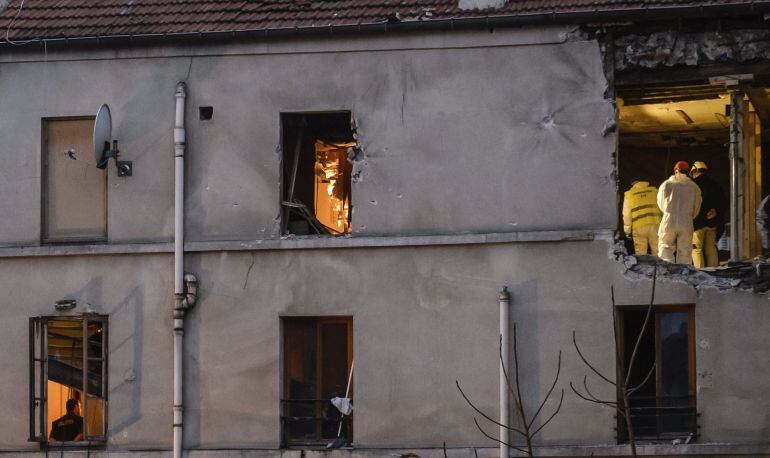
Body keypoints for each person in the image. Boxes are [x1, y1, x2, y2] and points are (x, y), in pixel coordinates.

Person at [657, 161, 702, 265]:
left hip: (669, 219)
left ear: (675, 170)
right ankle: (683, 275)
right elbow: (697, 206)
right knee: (685, 251)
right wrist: (689, 216)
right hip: (686, 221)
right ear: (688, 171)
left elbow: (660, 203)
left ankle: (666, 273)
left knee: (665, 248)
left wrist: (669, 213)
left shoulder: (666, 184)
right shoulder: (694, 187)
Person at [690, 161, 724, 268]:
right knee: (711, 249)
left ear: (695, 171)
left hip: (697, 224)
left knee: (696, 249)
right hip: (712, 223)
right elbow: (723, 202)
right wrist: (716, 212)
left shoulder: (693, 186)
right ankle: (714, 272)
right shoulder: (716, 184)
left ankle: (700, 273)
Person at [622, 180, 662, 255]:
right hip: (655, 224)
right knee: (658, 251)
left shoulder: (629, 195)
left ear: (633, 184)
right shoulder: (655, 191)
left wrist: (627, 231)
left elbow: (627, 214)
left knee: (641, 253)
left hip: (638, 227)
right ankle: (659, 266)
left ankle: (643, 266)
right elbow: (662, 207)